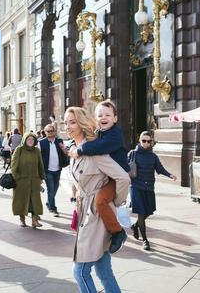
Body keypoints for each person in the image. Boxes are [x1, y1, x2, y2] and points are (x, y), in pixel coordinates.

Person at [65, 107, 130, 293]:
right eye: (66, 122)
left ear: (82, 123)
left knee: (80, 272)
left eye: (72, 122)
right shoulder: (75, 150)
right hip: (85, 212)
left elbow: (123, 178)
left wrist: (115, 203)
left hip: (97, 216)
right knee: (103, 270)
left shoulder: (94, 150)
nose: (67, 126)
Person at [129, 131, 176, 250]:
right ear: (139, 141)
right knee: (141, 212)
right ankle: (145, 240)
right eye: (143, 141)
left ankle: (135, 226)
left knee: (149, 211)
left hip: (149, 187)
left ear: (151, 142)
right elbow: (125, 168)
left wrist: (169, 175)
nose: (146, 143)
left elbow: (159, 169)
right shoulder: (133, 154)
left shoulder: (153, 156)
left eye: (148, 141)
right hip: (136, 187)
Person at [11, 133, 45, 228]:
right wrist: (17, 177)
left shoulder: (37, 151)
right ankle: (22, 220)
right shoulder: (19, 150)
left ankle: (34, 221)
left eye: (32, 139)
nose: (30, 141)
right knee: (22, 201)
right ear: (25, 140)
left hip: (34, 180)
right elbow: (14, 166)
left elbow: (40, 165)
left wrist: (41, 177)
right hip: (21, 181)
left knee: (35, 201)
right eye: (28, 139)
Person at [39, 124, 68, 217]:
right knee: (51, 189)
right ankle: (53, 208)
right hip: (47, 170)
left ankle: (48, 202)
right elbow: (39, 157)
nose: (50, 132)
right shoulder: (41, 142)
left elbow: (66, 153)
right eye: (48, 131)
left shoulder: (59, 141)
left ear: (54, 132)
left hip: (58, 169)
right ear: (45, 132)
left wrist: (63, 148)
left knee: (55, 188)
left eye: (52, 131)